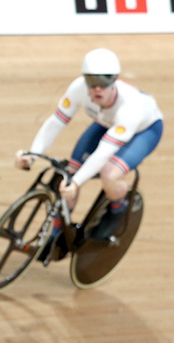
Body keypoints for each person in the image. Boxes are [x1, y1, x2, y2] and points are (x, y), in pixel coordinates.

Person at [15, 48, 163, 247]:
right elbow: (56, 122)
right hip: (106, 123)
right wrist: (32, 155)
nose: (97, 89)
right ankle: (58, 232)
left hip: (144, 131)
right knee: (69, 174)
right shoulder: (78, 89)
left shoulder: (130, 107)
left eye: (104, 82)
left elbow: (103, 152)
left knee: (109, 174)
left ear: (115, 80)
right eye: (92, 83)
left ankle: (118, 208)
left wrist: (76, 183)